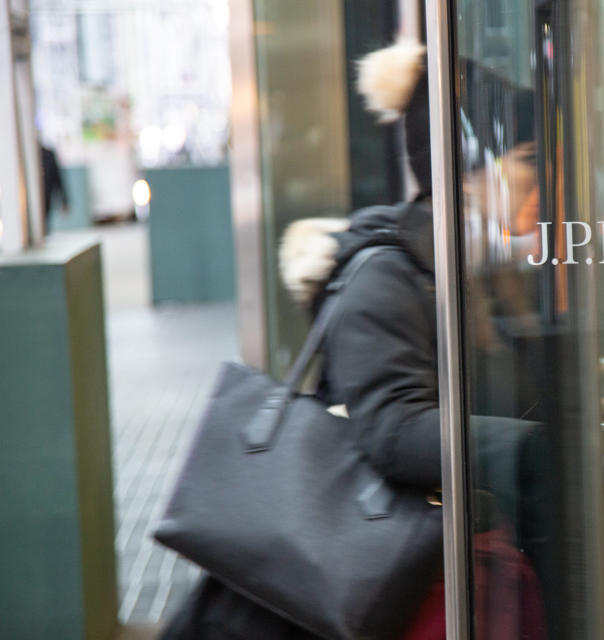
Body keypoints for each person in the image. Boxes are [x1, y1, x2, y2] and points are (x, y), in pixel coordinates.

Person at [160, 37, 444, 640]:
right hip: (315, 577)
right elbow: (393, 428)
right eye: (525, 168)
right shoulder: (386, 275)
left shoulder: (464, 270)